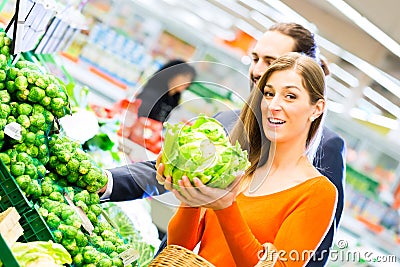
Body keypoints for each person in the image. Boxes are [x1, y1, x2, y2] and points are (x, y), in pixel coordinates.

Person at [99, 22, 346, 266]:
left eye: (270, 61)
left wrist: (226, 207)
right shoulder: (231, 135)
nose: (257, 71)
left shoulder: (322, 168)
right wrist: (188, 189)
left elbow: (309, 252)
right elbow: (182, 240)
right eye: (255, 59)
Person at [167, 52, 337, 267]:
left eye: (290, 96)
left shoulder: (317, 192)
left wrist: (226, 208)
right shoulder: (237, 165)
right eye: (268, 93)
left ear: (317, 109)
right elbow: (179, 247)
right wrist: (189, 194)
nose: (273, 105)